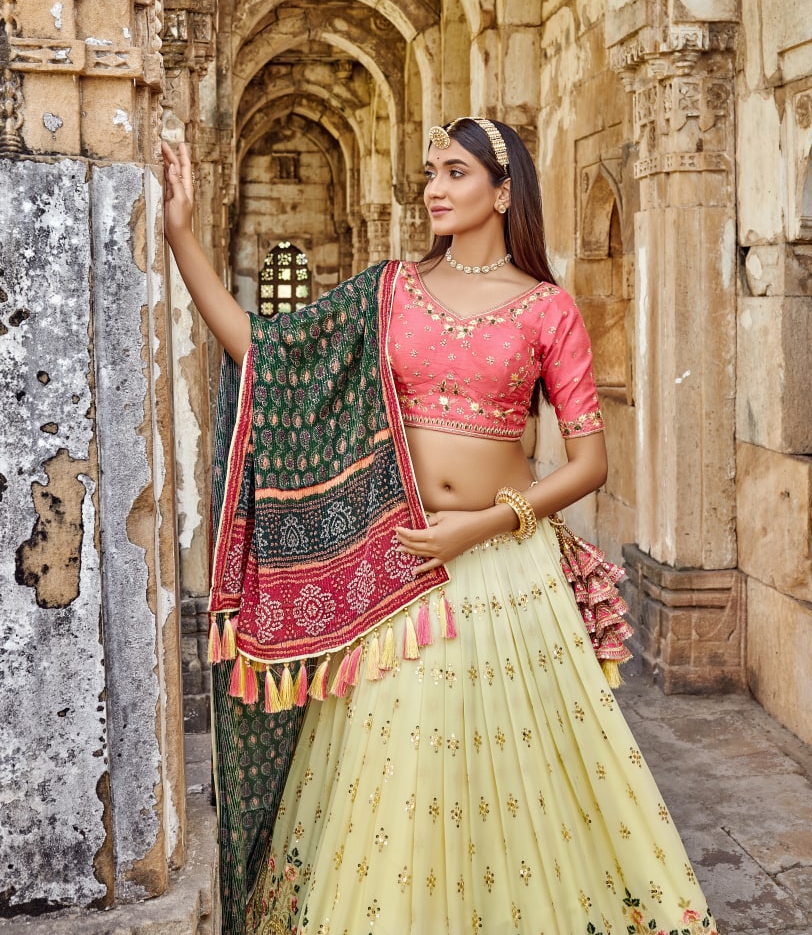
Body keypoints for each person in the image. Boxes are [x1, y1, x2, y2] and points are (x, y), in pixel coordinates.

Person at [162, 117, 717, 935]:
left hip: (505, 569)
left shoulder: (546, 308)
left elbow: (588, 463)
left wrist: (485, 526)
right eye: (430, 173)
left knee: (515, 783)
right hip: (398, 569)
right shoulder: (387, 290)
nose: (434, 189)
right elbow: (265, 354)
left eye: (455, 173)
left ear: (502, 190)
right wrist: (181, 239)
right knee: (401, 780)